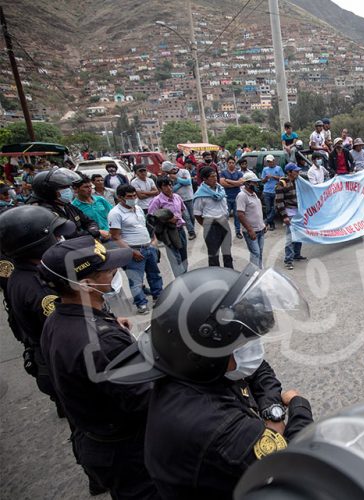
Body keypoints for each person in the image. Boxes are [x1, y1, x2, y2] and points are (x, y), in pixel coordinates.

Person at [103, 266, 313, 499]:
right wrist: (299, 406)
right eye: (240, 346)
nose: (251, 349)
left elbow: (259, 369)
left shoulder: (191, 369)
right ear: (204, 355)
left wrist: (271, 410)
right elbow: (292, 470)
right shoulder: (217, 426)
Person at [38, 236, 159, 499]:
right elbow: (147, 400)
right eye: (109, 270)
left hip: (97, 439)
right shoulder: (103, 341)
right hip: (128, 451)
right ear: (85, 284)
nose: (116, 273)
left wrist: (111, 325)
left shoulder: (59, 317)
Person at [0, 206, 75, 415]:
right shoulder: (38, 288)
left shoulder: (26, 273)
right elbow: (69, 332)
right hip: (61, 367)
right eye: (55, 235)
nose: (60, 238)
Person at [108, 184, 163, 314]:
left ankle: (158, 296)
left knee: (154, 275)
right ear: (120, 198)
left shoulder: (137, 208)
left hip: (148, 247)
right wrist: (131, 252)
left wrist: (152, 241)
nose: (133, 198)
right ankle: (141, 303)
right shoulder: (115, 213)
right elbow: (115, 237)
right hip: (133, 251)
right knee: (136, 280)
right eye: (129, 196)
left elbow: (144, 226)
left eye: (134, 195)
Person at [193, 167, 234, 269]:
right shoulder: (200, 195)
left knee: (227, 253)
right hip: (211, 226)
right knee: (213, 255)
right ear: (205, 179)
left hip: (224, 224)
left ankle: (230, 275)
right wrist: (207, 224)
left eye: (215, 175)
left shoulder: (220, 190)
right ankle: (216, 279)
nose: (215, 178)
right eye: (212, 176)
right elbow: (197, 214)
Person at [148, 178, 188, 277]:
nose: (169, 188)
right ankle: (180, 280)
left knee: (184, 256)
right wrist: (167, 219)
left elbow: (182, 210)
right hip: (168, 232)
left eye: (170, 185)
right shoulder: (157, 201)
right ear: (160, 188)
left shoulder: (177, 197)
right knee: (175, 258)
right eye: (165, 186)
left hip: (180, 229)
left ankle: (186, 277)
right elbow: (151, 218)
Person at [276, 164, 305, 270]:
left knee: (299, 235)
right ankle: (288, 260)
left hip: (298, 213)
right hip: (290, 213)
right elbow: (279, 201)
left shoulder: (298, 182)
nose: (298, 173)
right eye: (295, 171)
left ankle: (297, 254)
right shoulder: (282, 183)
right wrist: (284, 216)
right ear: (289, 172)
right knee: (290, 237)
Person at [236, 171, 267, 268]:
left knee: (260, 253)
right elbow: (240, 214)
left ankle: (260, 272)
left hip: (260, 230)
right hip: (251, 231)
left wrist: (263, 224)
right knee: (255, 253)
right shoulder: (242, 196)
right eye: (254, 182)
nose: (256, 184)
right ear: (247, 183)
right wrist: (250, 230)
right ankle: (253, 275)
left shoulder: (254, 194)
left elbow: (257, 211)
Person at [163, 161, 196, 240]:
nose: (168, 173)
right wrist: (181, 183)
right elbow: (172, 189)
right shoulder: (168, 177)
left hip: (189, 197)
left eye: (168, 171)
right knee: (186, 217)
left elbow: (188, 182)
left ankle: (192, 228)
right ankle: (191, 232)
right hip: (179, 200)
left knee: (192, 216)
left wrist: (177, 179)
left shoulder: (184, 171)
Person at [219, 156, 245, 239]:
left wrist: (229, 181)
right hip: (226, 197)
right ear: (227, 163)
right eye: (229, 163)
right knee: (225, 215)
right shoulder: (223, 172)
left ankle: (238, 232)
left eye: (232, 163)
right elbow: (222, 183)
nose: (231, 164)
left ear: (235, 163)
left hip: (237, 197)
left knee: (237, 216)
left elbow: (241, 183)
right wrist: (235, 183)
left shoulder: (239, 173)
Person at [261, 155, 284, 231]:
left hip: (276, 191)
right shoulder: (265, 169)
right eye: (268, 162)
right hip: (267, 191)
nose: (270, 163)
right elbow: (262, 181)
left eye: (271, 161)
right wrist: (266, 178)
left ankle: (266, 221)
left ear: (274, 161)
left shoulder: (278, 168)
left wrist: (273, 177)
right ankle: (271, 224)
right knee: (268, 209)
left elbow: (282, 178)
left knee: (275, 208)